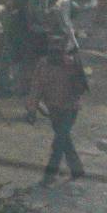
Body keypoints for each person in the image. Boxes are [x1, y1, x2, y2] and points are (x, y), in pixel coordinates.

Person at [31, 47, 88, 185]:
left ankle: (49, 176)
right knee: (64, 140)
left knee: (59, 142)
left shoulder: (71, 64)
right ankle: (77, 169)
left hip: (69, 108)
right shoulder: (43, 64)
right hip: (54, 109)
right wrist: (32, 107)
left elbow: (81, 88)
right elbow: (37, 86)